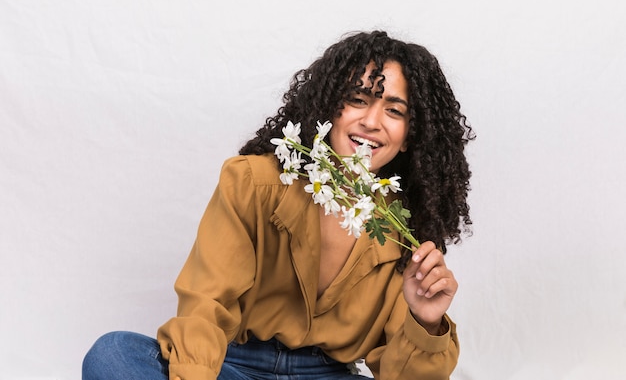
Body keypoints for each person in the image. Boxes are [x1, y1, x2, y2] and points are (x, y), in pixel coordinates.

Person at [82, 30, 474, 380]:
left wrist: (426, 321)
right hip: (232, 367)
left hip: (331, 374)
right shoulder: (253, 182)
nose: (372, 121)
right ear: (329, 109)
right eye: (358, 99)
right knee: (114, 354)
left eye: (394, 110)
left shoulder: (407, 226)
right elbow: (206, 305)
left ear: (409, 136)